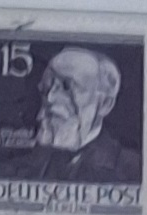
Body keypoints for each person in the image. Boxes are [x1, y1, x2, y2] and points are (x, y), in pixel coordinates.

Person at [8, 44, 139, 187]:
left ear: (105, 104)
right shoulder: (16, 168)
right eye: (46, 88)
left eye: (67, 87)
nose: (50, 98)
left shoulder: (133, 169)